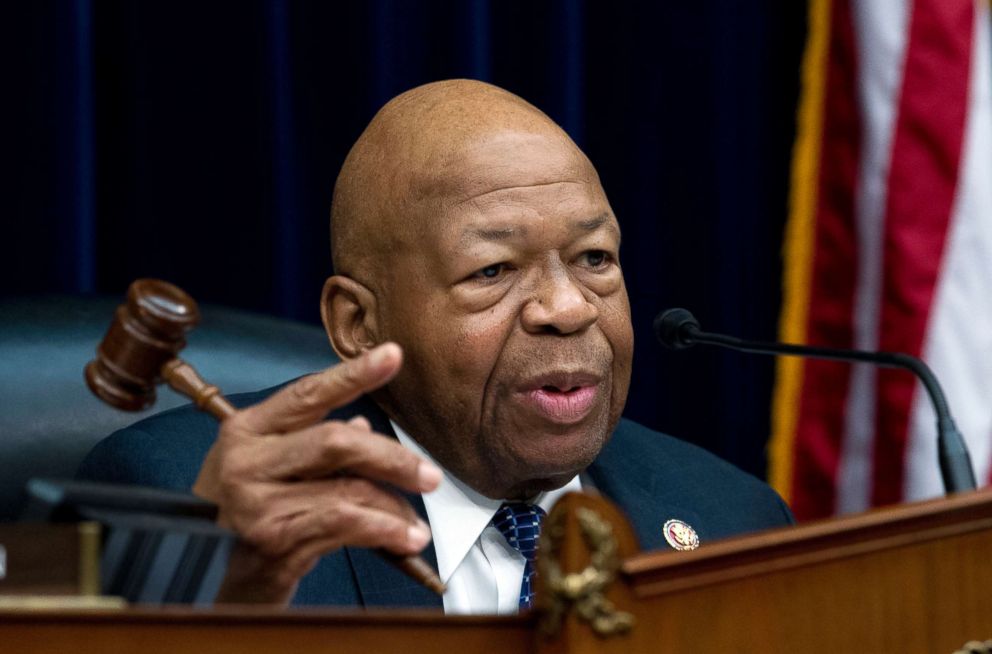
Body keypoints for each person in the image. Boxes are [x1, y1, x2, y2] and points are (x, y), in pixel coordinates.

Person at [78, 79, 792, 613]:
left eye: (595, 258)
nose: (569, 308)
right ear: (357, 323)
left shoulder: (735, 519)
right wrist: (209, 594)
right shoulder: (182, 501)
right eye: (493, 271)